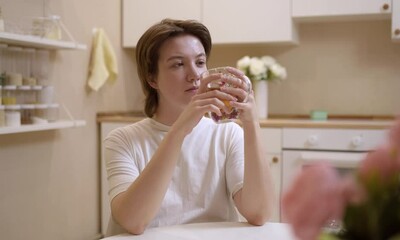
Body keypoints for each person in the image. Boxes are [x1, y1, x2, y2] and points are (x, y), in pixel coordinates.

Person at [104, 18, 274, 236]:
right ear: (151, 78)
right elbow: (133, 221)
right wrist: (180, 130)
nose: (195, 75)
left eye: (200, 62)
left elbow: (259, 214)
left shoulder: (228, 133)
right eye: (178, 64)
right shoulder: (122, 140)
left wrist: (252, 124)